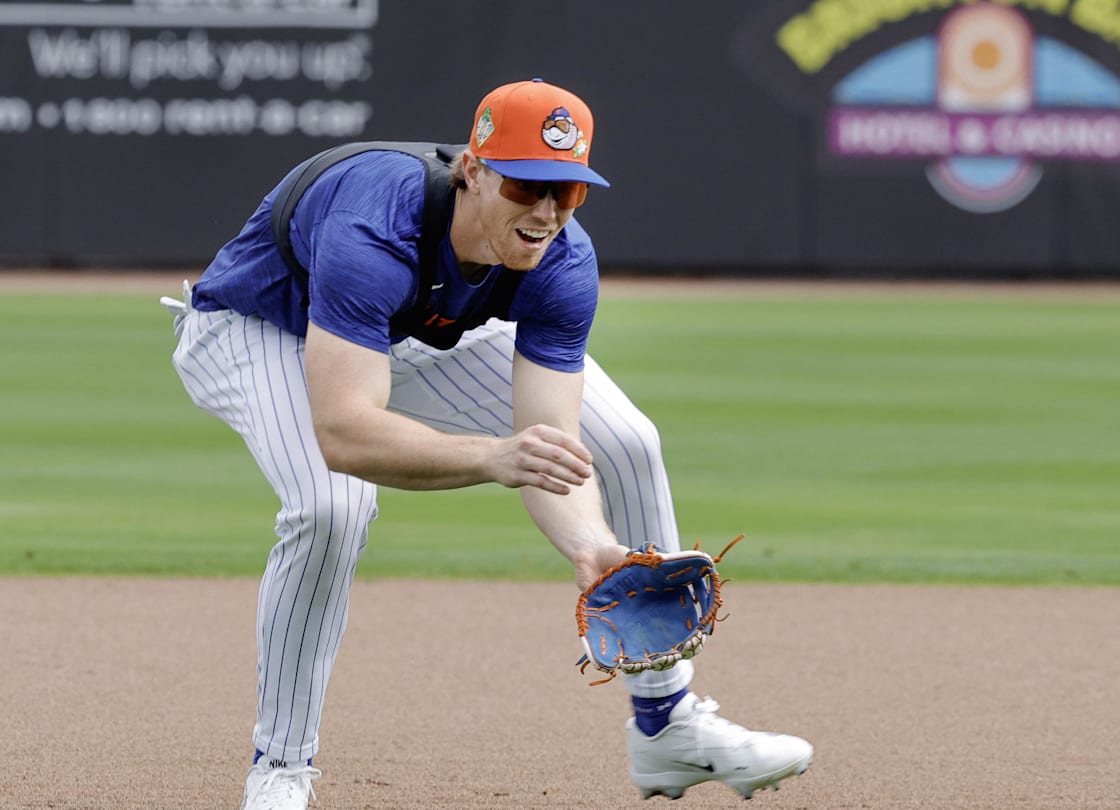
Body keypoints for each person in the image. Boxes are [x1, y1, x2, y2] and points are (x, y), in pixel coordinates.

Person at [163, 78, 813, 809]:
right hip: (254, 329)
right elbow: (345, 432)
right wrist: (489, 457)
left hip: (396, 333)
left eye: (567, 192)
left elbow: (550, 444)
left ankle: (668, 727)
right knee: (332, 507)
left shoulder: (562, 261)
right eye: (526, 184)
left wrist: (592, 548)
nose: (545, 211)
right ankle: (279, 771)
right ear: (472, 169)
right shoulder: (373, 224)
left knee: (626, 440)